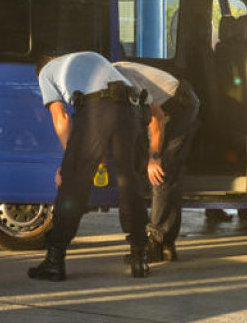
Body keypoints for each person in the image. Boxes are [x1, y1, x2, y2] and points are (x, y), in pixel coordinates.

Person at [29, 51, 151, 281]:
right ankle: (140, 258)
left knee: (73, 185)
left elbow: (61, 118)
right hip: (131, 108)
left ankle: (54, 261)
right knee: (129, 183)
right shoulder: (88, 57)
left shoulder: (45, 72)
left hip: (98, 109)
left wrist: (69, 162)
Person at [113, 61, 201, 263]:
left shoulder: (122, 81)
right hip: (169, 102)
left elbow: (157, 118)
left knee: (161, 172)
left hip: (178, 105)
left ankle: (156, 243)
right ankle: (166, 245)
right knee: (164, 173)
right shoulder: (110, 75)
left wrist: (154, 158)